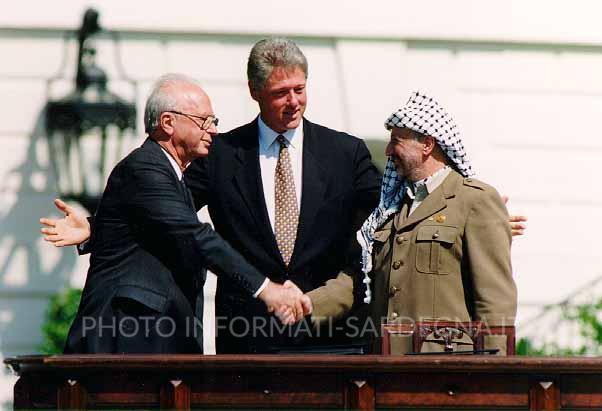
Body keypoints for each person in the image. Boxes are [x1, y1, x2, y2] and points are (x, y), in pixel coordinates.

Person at [42, 39, 526, 353]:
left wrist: (468, 209)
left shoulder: (346, 152)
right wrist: (99, 227)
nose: (293, 101)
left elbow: (394, 206)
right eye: (280, 93)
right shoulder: (221, 153)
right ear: (256, 92)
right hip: (247, 339)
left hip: (334, 336)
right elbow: (170, 217)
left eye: (300, 89)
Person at [44, 74, 304, 354]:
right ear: (168, 122)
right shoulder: (145, 169)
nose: (213, 130)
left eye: (213, 121)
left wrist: (96, 228)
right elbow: (193, 235)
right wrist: (267, 290)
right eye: (204, 121)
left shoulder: (173, 176)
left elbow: (151, 223)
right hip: (125, 340)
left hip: (157, 340)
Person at [300, 91, 517, 355]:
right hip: (384, 368)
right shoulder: (390, 208)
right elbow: (360, 281)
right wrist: (304, 304)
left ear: (427, 144)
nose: (388, 151)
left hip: (446, 372)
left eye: (396, 141)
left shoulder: (474, 200)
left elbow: (495, 304)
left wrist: (493, 377)